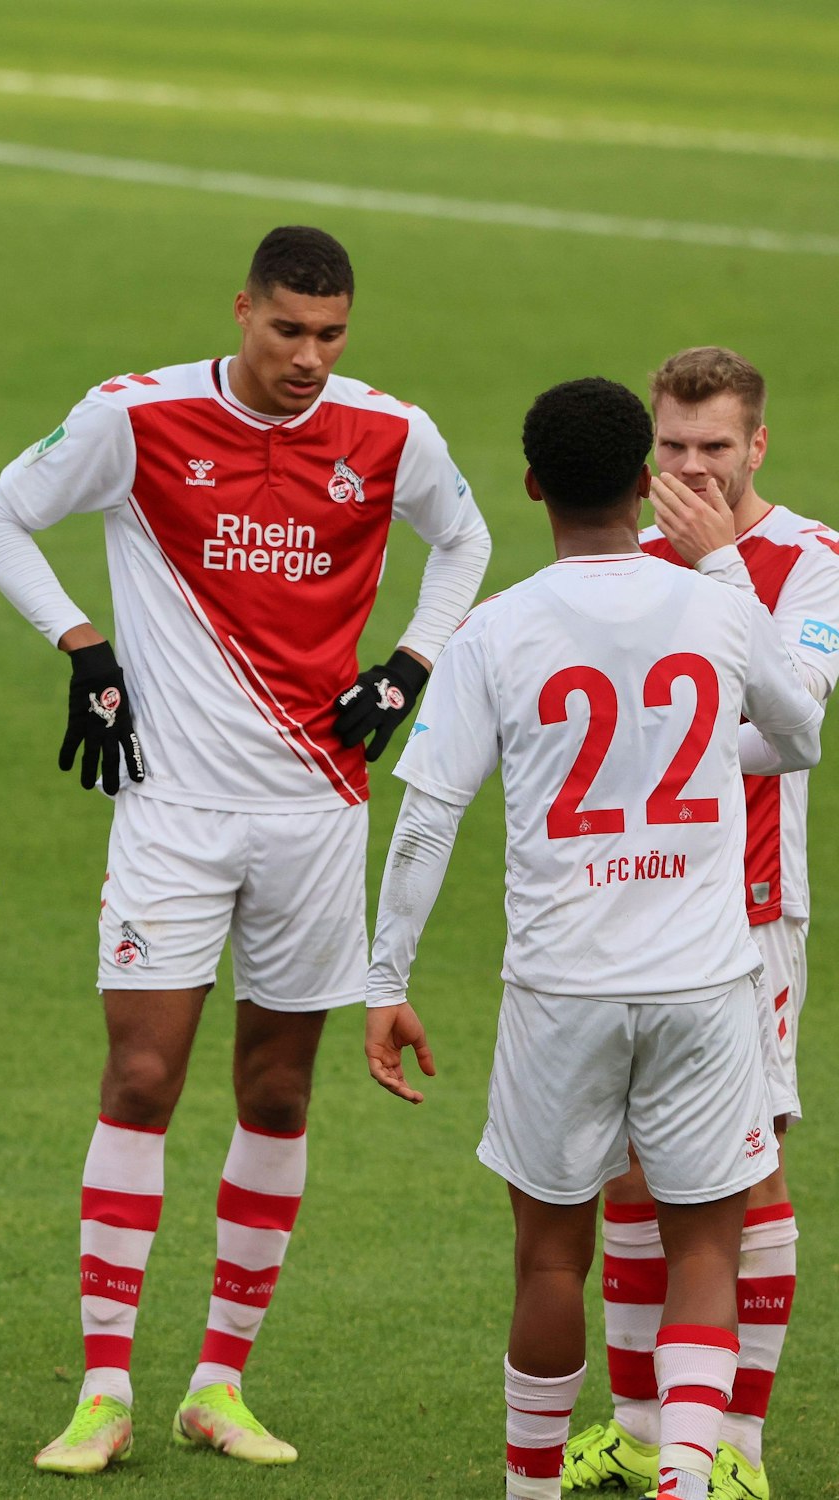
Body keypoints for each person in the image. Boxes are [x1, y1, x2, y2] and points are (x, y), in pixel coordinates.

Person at [0, 225, 492, 1471]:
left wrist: (409, 664)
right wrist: (80, 645)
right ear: (241, 311)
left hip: (317, 812)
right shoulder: (133, 418)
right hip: (171, 810)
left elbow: (463, 541)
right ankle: (102, 1389)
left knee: (276, 1090)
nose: (308, 358)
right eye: (286, 331)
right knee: (140, 1078)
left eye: (329, 336)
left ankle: (218, 1382)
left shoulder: (388, 434)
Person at [363, 377, 824, 1500]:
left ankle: (528, 1488)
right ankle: (684, 1478)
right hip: (706, 983)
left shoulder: (496, 628)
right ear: (643, 483)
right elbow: (798, 733)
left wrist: (385, 977)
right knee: (704, 1246)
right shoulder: (719, 608)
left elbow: (425, 817)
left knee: (549, 1255)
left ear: (531, 489)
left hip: (560, 989)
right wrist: (718, 573)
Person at [561, 348, 839, 1499]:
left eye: (711, 449)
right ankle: (637, 1426)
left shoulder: (807, 560)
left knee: (745, 1173)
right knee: (628, 1176)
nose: (685, 470)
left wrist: (719, 564)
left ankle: (737, 1448)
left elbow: (791, 721)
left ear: (754, 447)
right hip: (624, 907)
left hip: (746, 910)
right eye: (669, 449)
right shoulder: (619, 562)